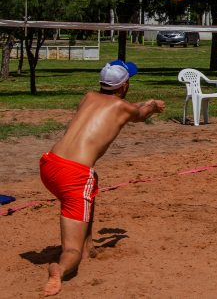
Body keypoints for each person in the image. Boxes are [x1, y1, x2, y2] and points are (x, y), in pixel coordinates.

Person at [39, 60, 165, 296]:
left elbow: (119, 108)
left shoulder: (88, 97)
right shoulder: (125, 108)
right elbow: (139, 113)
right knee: (70, 250)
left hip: (49, 163)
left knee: (91, 184)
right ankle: (61, 268)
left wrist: (145, 104)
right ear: (124, 85)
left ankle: (88, 247)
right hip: (74, 175)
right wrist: (154, 105)